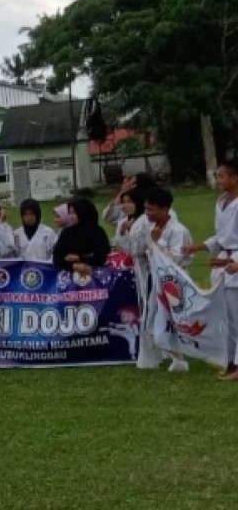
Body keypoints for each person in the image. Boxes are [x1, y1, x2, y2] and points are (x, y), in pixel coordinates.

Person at [117, 187, 192, 372]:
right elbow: (134, 249)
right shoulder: (148, 227)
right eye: (146, 208)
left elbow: (176, 258)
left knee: (171, 320)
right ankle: (167, 357)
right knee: (152, 320)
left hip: (173, 281)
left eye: (151, 209)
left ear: (165, 209)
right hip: (154, 278)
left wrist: (157, 243)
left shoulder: (178, 231)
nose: (147, 213)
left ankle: (178, 357)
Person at [185, 160, 238, 379]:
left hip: (235, 259)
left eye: (221, 176)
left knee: (237, 316)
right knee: (226, 318)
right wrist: (200, 246)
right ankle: (230, 359)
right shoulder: (222, 202)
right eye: (217, 176)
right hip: (225, 258)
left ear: (235, 178)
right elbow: (222, 236)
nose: (218, 181)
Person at [52, 198, 112, 274]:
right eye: (69, 213)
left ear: (83, 213)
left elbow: (102, 257)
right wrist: (73, 266)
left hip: (95, 277)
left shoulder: (97, 232)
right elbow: (57, 258)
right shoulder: (67, 232)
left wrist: (79, 258)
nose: (70, 216)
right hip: (70, 278)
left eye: (74, 213)